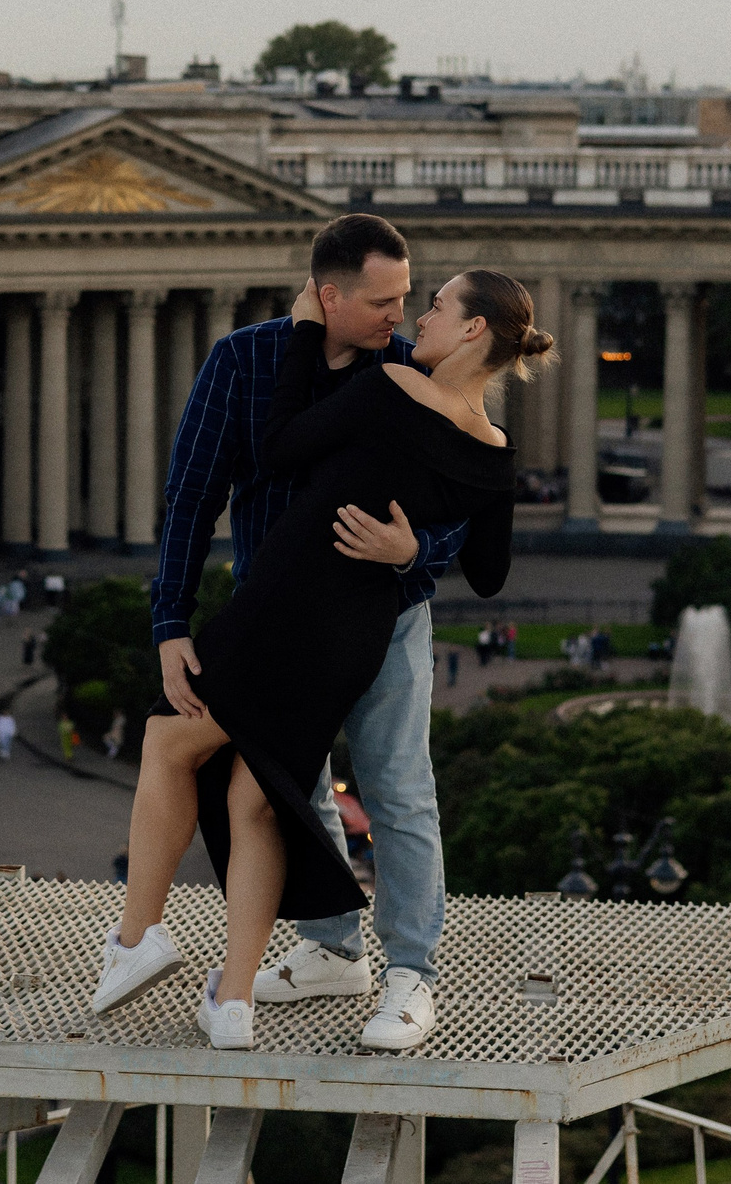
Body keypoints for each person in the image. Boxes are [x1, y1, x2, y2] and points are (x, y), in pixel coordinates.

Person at [100, 257, 538, 1052]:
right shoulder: (249, 358)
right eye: (391, 302)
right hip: (287, 601)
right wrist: (171, 616)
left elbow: (284, 449)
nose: (407, 319)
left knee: (385, 785)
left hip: (357, 611)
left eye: (425, 305)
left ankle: (405, 972)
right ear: (332, 292)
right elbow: (196, 490)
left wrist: (411, 551)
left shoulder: (396, 376)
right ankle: (322, 954)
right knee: (272, 784)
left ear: (473, 329)